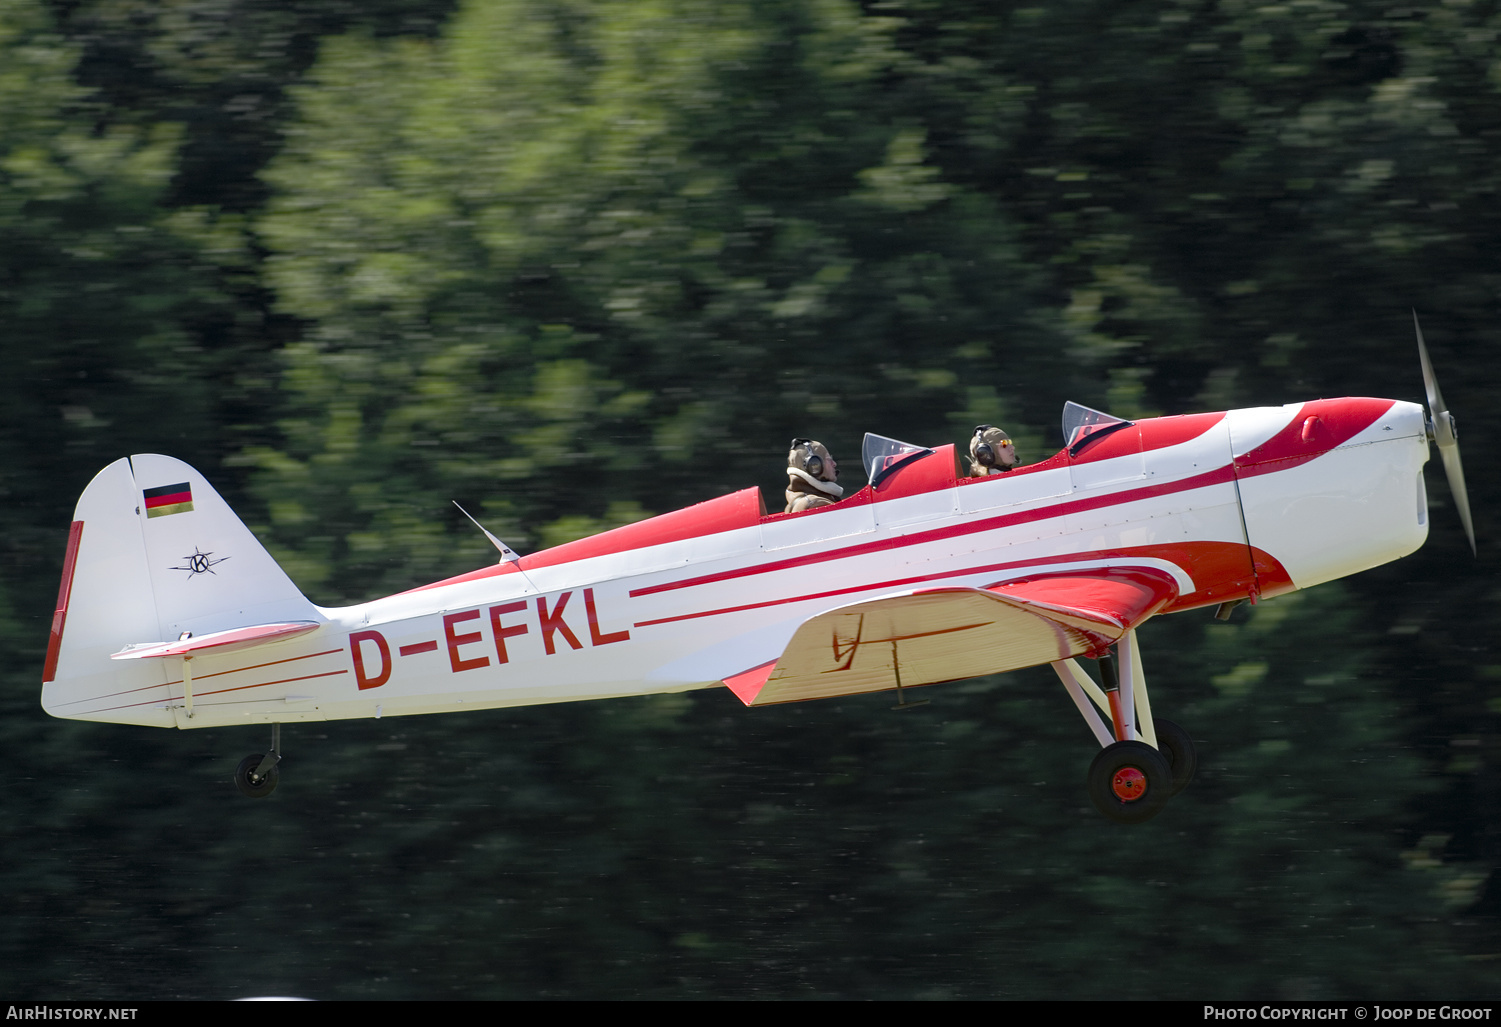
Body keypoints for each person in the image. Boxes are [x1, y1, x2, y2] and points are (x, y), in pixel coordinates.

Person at [785, 438, 844, 513]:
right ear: (815, 466)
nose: (834, 463)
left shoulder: (801, 499)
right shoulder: (817, 505)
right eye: (829, 459)